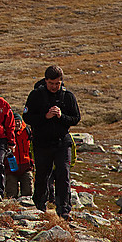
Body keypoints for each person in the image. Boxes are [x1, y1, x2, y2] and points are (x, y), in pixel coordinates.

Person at [23, 65, 81, 220]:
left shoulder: (68, 96)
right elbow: (27, 118)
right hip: (42, 143)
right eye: (51, 83)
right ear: (45, 81)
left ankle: (64, 210)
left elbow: (75, 118)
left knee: (64, 174)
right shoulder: (36, 95)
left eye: (57, 83)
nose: (54, 87)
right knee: (42, 175)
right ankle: (39, 206)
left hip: (62, 142)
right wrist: (45, 117)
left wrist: (61, 116)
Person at [5, 115, 34, 199]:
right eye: (15, 121)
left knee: (28, 194)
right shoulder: (7, 133)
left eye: (19, 121)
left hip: (26, 167)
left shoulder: (27, 132)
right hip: (11, 169)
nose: (17, 124)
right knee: (11, 195)